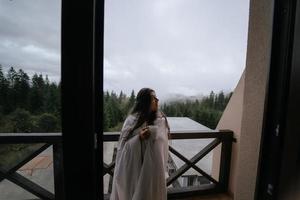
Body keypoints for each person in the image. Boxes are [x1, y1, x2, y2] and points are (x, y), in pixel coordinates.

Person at [110, 88, 170, 200]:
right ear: (145, 101)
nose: (157, 100)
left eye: (157, 97)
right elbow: (123, 148)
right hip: (135, 171)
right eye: (153, 98)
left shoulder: (160, 121)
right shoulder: (131, 120)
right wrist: (139, 138)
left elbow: (162, 145)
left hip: (154, 169)